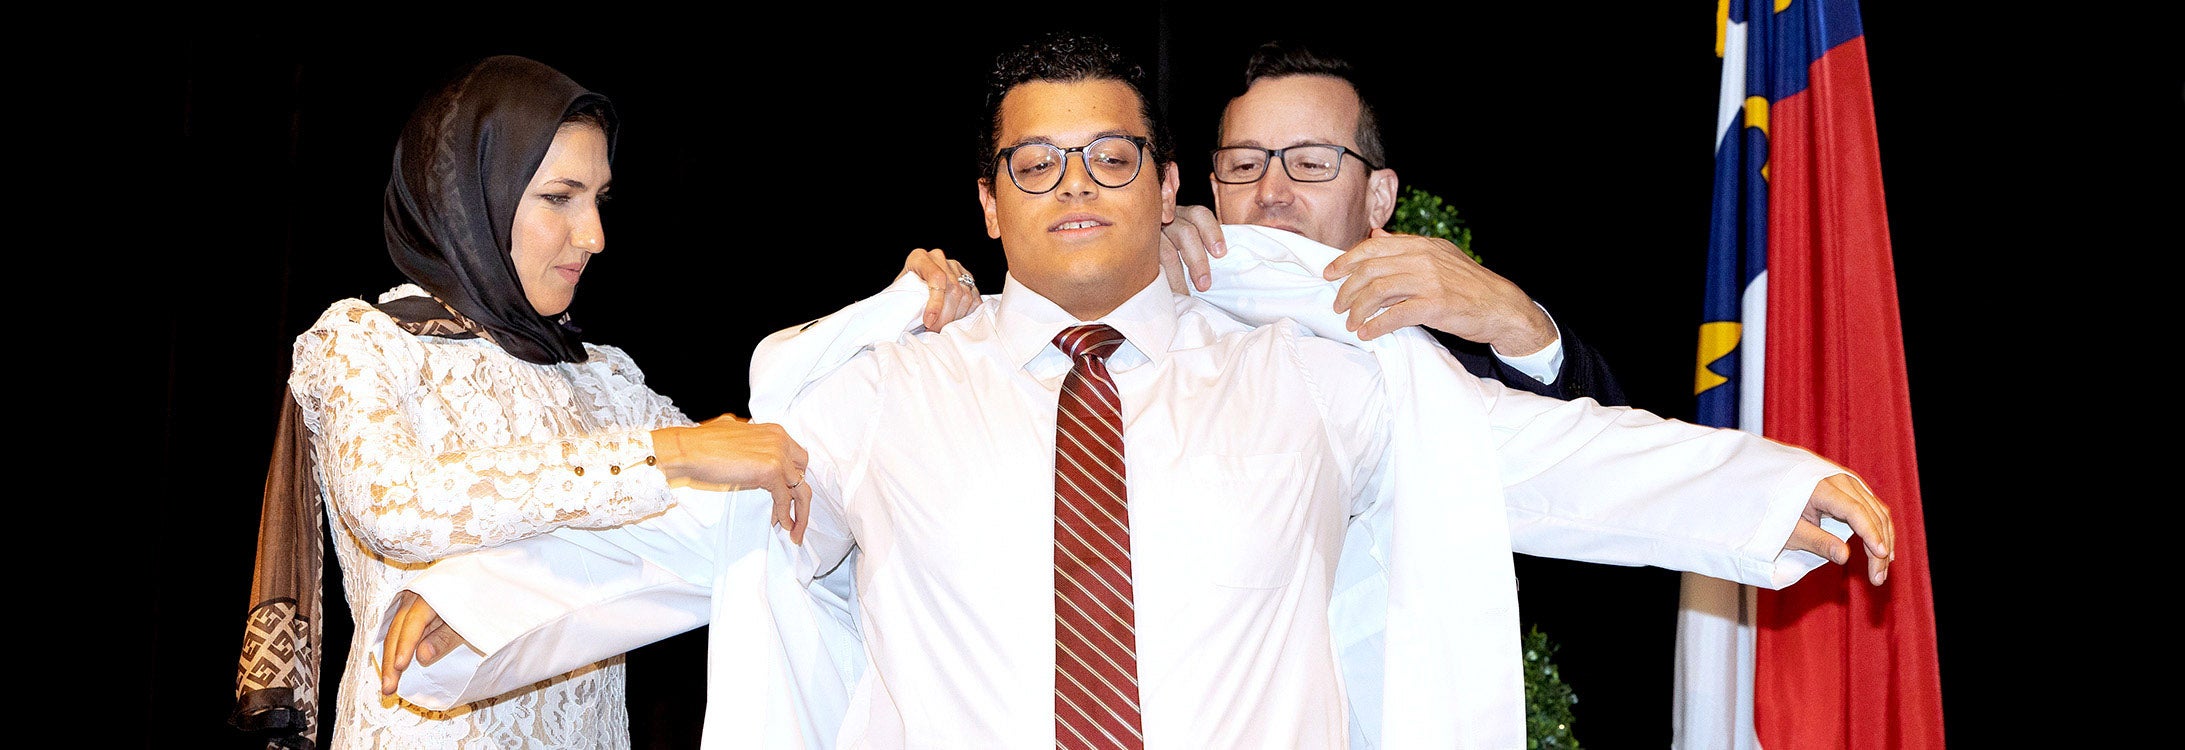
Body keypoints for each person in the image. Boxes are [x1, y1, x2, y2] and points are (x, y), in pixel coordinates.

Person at [373, 32, 1893, 749]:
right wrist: (500, 602)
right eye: (1035, 162)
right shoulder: (890, 394)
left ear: (1167, 184)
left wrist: (1770, 487)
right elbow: (715, 527)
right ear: (988, 201)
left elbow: (1537, 457)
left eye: (1111, 157)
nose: (1075, 185)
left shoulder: (1316, 379)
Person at [229, 54, 923, 749]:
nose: (592, 235)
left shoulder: (600, 375)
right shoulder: (365, 341)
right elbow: (399, 509)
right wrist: (672, 453)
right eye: (559, 197)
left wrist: (893, 322)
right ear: (475, 194)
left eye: (598, 199)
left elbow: (746, 505)